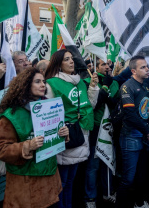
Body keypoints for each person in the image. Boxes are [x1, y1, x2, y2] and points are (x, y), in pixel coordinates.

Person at [0, 67, 69, 208]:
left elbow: (54, 140)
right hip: (27, 186)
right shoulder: (11, 115)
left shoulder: (48, 108)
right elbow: (2, 149)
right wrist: (27, 146)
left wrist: (63, 134)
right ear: (26, 85)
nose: (43, 84)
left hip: (50, 181)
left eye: (43, 81)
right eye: (38, 82)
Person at [45, 49, 99, 208]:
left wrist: (93, 88)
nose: (71, 62)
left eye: (71, 59)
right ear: (58, 64)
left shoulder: (80, 82)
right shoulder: (51, 83)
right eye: (66, 59)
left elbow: (89, 106)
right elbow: (48, 113)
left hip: (80, 136)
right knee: (61, 184)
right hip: (65, 138)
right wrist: (63, 122)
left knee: (69, 183)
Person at [116, 55, 149, 208]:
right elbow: (130, 115)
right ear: (133, 70)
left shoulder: (147, 85)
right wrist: (148, 132)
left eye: (147, 66)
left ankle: (139, 203)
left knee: (142, 175)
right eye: (143, 67)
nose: (147, 69)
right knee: (128, 178)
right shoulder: (127, 86)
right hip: (130, 136)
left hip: (144, 136)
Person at [83, 58, 120, 208]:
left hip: (110, 127)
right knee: (93, 165)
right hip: (95, 128)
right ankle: (90, 198)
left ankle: (108, 192)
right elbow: (94, 104)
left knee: (108, 161)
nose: (107, 66)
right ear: (96, 66)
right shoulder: (88, 81)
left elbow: (115, 103)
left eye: (108, 64)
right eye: (103, 64)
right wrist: (104, 87)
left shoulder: (115, 82)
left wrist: (108, 88)